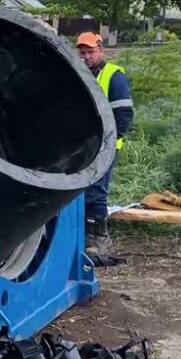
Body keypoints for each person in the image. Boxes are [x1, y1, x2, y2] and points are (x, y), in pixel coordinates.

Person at [75, 32, 134, 256]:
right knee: (75, 193)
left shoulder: (113, 76)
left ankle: (100, 238)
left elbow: (124, 113)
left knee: (95, 192)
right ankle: (80, 236)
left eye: (91, 52)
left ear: (101, 50)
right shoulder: (77, 74)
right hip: (80, 146)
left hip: (104, 147)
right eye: (83, 53)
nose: (86, 57)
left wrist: (109, 143)